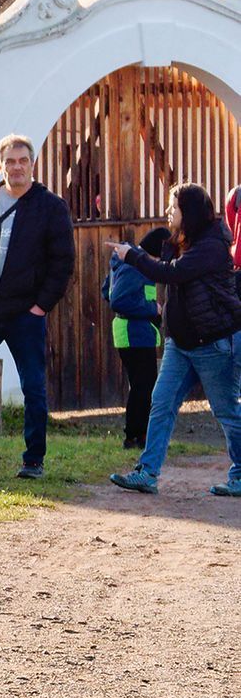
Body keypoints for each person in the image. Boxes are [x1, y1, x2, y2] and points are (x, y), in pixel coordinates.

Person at [0, 134, 75, 480]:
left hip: (26, 312)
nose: (16, 167)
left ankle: (33, 460)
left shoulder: (50, 207)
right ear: (0, 165)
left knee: (33, 386)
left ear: (32, 164)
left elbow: (63, 263)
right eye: (10, 161)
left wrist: (41, 306)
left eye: (23, 161)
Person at [108, 184, 241, 498]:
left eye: (173, 207)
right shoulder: (181, 240)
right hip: (179, 344)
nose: (168, 212)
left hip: (213, 343)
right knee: (161, 403)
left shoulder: (211, 245)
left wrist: (133, 256)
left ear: (190, 212)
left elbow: (173, 274)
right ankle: (147, 472)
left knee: (226, 412)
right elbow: (166, 265)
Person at [101, 227, 167, 449]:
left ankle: (136, 435)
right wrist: (152, 308)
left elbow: (106, 291)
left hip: (133, 332)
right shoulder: (135, 266)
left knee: (141, 385)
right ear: (155, 253)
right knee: (143, 386)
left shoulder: (123, 262)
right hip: (134, 333)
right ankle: (135, 437)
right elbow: (119, 300)